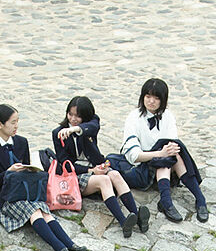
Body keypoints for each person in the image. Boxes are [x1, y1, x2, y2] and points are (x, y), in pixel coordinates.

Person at [0, 104, 86, 251]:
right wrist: (8, 172)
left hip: (22, 190)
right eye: (12, 122)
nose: (16, 126)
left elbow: (28, 173)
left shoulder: (21, 142)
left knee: (45, 210)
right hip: (0, 195)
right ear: (0, 125)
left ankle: (70, 244)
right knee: (34, 210)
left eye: (17, 121)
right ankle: (59, 248)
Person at [52, 96, 150, 237]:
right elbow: (65, 164)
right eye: (70, 114)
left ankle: (136, 216)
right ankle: (123, 222)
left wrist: (76, 129)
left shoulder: (90, 125)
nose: (73, 119)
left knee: (115, 175)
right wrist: (91, 170)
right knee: (103, 180)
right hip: (77, 175)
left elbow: (93, 126)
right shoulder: (58, 133)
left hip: (97, 166)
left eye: (78, 116)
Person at [121, 78, 208, 223]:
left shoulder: (167, 116)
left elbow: (172, 146)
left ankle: (197, 199)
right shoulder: (134, 117)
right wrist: (160, 153)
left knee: (173, 151)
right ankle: (171, 201)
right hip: (142, 167)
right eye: (148, 96)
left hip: (166, 165)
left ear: (163, 100)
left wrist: (166, 151)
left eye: (156, 98)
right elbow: (133, 156)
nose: (151, 101)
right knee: (165, 155)